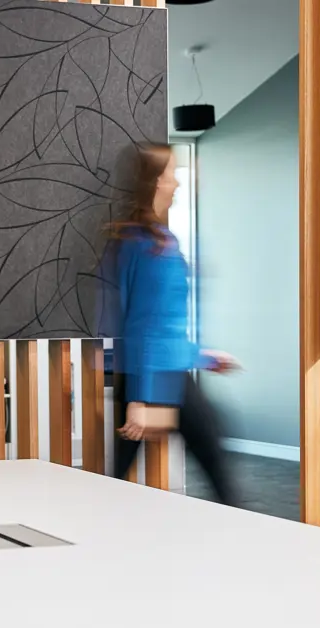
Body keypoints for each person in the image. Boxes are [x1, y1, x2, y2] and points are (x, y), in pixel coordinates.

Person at [105, 143, 240, 505]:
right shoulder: (140, 245)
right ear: (156, 182)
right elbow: (140, 324)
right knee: (117, 481)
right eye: (172, 174)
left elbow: (168, 324)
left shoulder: (165, 241)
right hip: (151, 380)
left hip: (172, 373)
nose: (178, 183)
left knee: (217, 469)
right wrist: (138, 398)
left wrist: (205, 357)